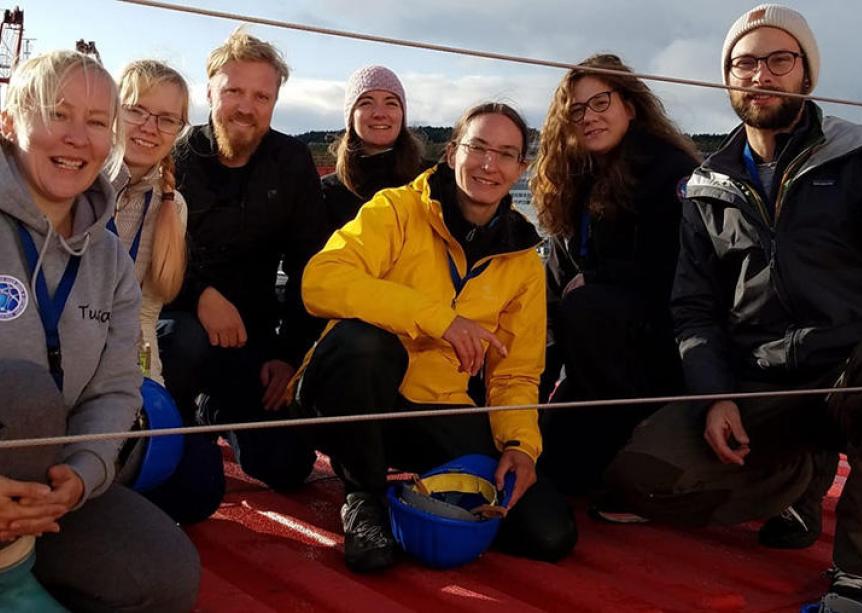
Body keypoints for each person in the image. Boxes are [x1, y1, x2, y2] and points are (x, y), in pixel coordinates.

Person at [604, 5, 862, 612]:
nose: (761, 74)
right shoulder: (709, 186)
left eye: (779, 60)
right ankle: (799, 479)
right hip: (765, 388)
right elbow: (695, 309)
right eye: (744, 63)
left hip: (855, 376)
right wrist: (715, 397)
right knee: (642, 477)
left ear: (806, 74)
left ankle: (860, 575)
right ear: (727, 78)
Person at [292, 102, 578, 573]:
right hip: (350, 397)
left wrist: (520, 446)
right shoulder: (396, 209)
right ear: (451, 153)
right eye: (477, 147)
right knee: (364, 344)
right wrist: (438, 320)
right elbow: (320, 281)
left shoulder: (523, 259)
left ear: (521, 168)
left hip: (433, 407)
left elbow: (516, 373)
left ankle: (411, 494)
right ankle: (363, 496)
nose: (489, 164)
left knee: (548, 533)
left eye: (506, 154)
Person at [0, 50, 199, 611]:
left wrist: (84, 473)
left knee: (166, 578)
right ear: (10, 121)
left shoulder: (108, 258)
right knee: (23, 393)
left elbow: (115, 387)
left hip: (49, 483)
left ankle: (21, 555)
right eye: (57, 113)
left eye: (94, 122)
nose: (77, 138)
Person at [159, 28, 328, 523]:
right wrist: (200, 294)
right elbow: (142, 249)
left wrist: (288, 354)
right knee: (193, 493)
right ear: (210, 91)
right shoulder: (176, 156)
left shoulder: (291, 161)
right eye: (234, 91)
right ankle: (177, 419)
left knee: (288, 466)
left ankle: (215, 410)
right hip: (177, 327)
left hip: (249, 336)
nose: (246, 107)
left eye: (261, 96)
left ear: (275, 102)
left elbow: (309, 264)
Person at [531, 54, 700, 495]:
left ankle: (628, 443)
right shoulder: (578, 178)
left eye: (600, 102)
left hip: (655, 360)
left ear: (630, 105)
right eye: (577, 110)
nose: (589, 117)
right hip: (593, 363)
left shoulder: (668, 172)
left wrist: (600, 279)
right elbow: (555, 286)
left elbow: (680, 271)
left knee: (587, 304)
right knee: (548, 467)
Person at [109, 59, 190, 384]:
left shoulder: (171, 206)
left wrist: (151, 380)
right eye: (136, 111)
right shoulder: (74, 182)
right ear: (113, 111)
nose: (149, 127)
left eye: (167, 119)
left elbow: (143, 316)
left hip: (117, 356)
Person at [322, 64, 425, 231]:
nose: (379, 113)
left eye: (391, 103)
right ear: (351, 116)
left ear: (402, 114)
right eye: (366, 103)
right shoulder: (327, 192)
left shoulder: (432, 181)